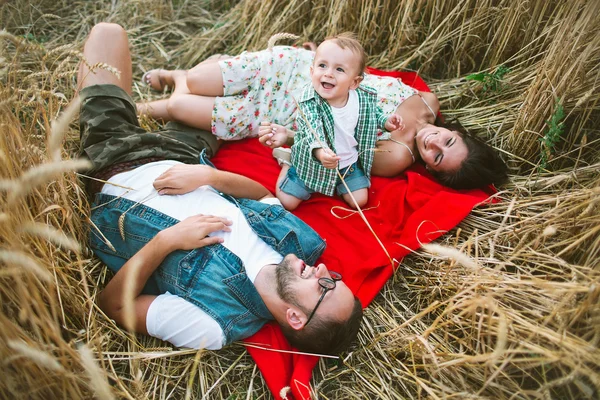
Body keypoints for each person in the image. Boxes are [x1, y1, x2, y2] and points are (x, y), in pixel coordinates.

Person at [78, 22, 362, 356]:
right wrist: (207, 177)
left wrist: (166, 241)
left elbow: (114, 306)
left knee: (107, 34)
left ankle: (155, 96)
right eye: (335, 277)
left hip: (116, 166)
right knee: (223, 77)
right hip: (185, 154)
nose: (325, 271)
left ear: (296, 318)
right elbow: (259, 195)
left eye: (326, 286)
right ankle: (174, 86)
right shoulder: (301, 244)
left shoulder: (212, 325)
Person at [138, 43, 507, 191]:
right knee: (202, 78)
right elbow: (365, 75)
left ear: (430, 169)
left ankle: (152, 100)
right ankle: (179, 77)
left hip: (281, 110)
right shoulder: (426, 99)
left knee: (177, 108)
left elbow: (334, 147)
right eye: (448, 141)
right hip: (294, 69)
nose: (434, 144)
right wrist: (325, 61)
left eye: (438, 157)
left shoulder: (397, 155)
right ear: (456, 132)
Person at [274, 33, 402, 210]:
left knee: (359, 201)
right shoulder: (309, 102)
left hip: (347, 163)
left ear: (354, 82)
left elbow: (374, 114)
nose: (328, 73)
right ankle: (289, 163)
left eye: (339, 69)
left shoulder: (362, 97)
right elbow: (314, 133)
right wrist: (320, 153)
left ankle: (341, 181)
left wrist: (387, 122)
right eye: (322, 65)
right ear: (312, 72)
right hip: (312, 164)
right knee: (287, 202)